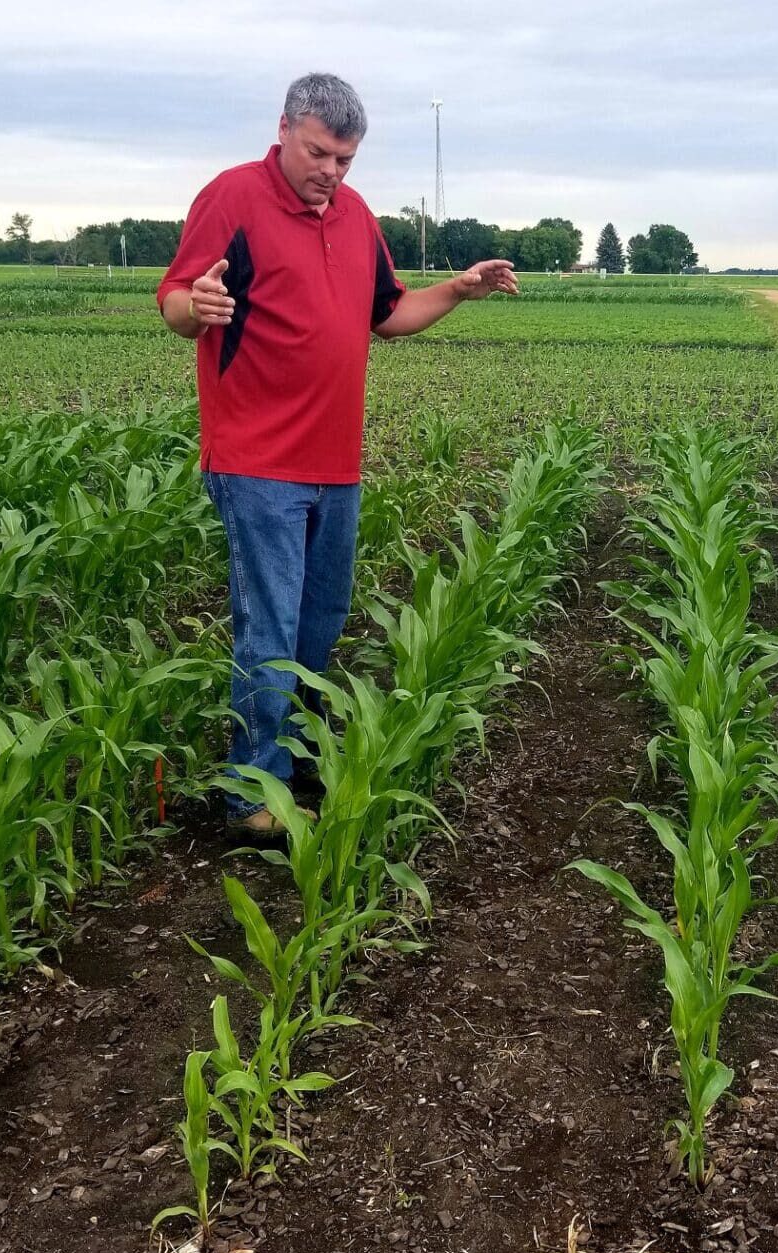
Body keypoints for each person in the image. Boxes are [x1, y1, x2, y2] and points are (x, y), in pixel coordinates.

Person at [158, 72, 518, 836]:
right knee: (270, 626)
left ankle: (299, 759)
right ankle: (250, 794)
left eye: (346, 160)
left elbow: (388, 314)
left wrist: (456, 288)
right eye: (321, 153)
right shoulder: (232, 197)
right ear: (285, 128)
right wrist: (200, 305)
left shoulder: (354, 216)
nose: (332, 171)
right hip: (256, 459)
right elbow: (177, 304)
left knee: (319, 622)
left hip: (335, 462)